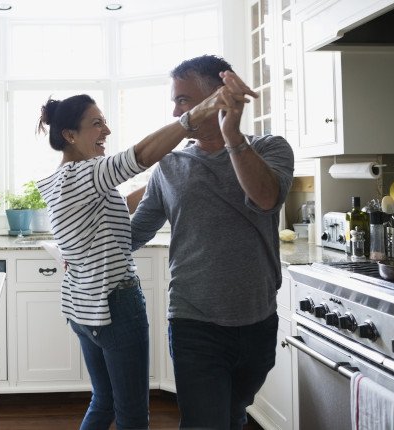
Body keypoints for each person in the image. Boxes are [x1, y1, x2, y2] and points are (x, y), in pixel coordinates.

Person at [35, 80, 245, 430]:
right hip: (115, 305)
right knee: (132, 415)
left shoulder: (64, 179)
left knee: (104, 401)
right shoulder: (87, 173)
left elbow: (119, 202)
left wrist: (166, 177)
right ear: (70, 135)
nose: (107, 130)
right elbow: (142, 155)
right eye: (97, 124)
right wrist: (196, 115)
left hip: (83, 307)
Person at [131, 54, 295, 429]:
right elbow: (135, 233)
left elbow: (266, 198)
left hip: (258, 320)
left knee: (234, 414)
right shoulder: (170, 166)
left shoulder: (271, 148)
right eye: (175, 100)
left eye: (183, 100)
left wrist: (232, 135)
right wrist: (83, 250)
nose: (175, 110)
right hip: (194, 322)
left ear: (217, 97)